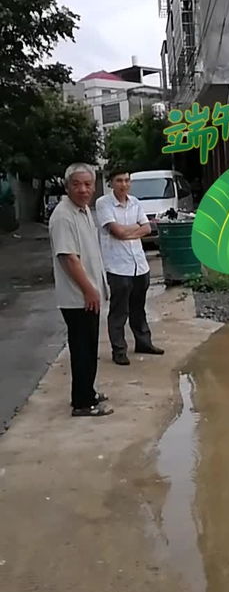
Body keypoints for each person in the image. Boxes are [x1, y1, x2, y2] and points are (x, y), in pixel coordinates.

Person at [49, 163, 113, 418]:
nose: (83, 189)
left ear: (94, 186)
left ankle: (87, 391)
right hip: (78, 298)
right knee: (82, 349)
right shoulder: (63, 216)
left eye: (88, 184)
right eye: (77, 184)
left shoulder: (84, 210)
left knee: (88, 346)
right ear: (67, 187)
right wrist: (89, 290)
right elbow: (68, 258)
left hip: (88, 294)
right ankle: (83, 403)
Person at [95, 168, 165, 366]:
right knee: (119, 310)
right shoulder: (103, 204)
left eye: (127, 180)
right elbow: (116, 231)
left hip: (139, 265)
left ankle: (144, 342)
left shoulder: (135, 202)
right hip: (118, 266)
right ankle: (119, 349)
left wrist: (130, 232)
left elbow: (148, 228)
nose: (124, 184)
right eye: (119, 180)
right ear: (111, 183)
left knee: (138, 307)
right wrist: (134, 229)